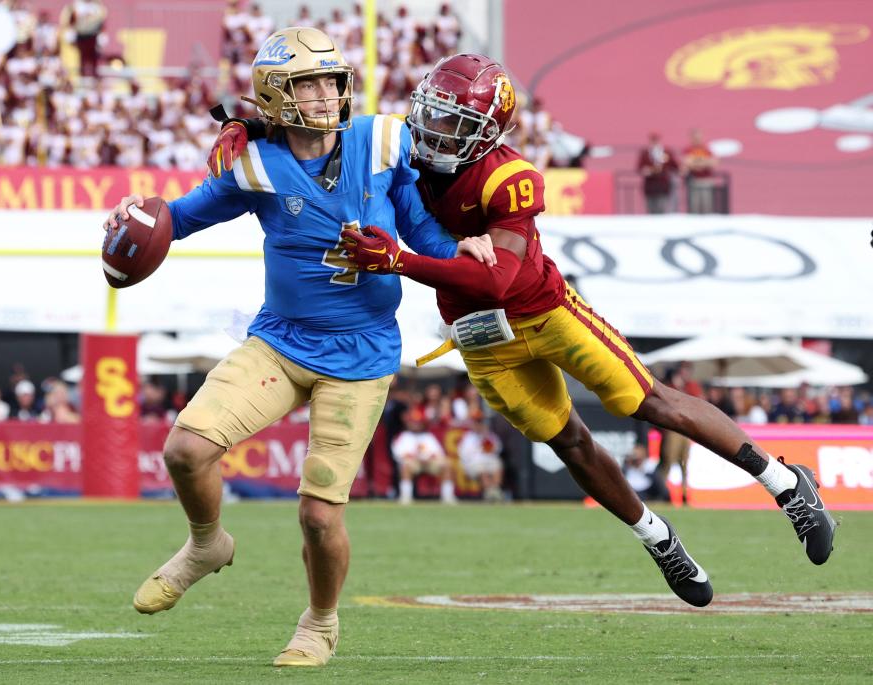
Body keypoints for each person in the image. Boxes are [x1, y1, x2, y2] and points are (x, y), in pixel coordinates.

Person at [335, 53, 837, 607]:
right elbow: (326, 130)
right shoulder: (397, 148)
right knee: (569, 441)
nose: (434, 130)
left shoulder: (510, 177)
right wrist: (246, 123)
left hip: (544, 312)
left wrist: (399, 261)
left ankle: (787, 486)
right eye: (433, 112)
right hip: (480, 337)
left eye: (455, 122)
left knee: (648, 402)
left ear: (488, 133)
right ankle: (659, 538)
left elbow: (498, 281)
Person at [106, 28, 493, 668]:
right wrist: (137, 217)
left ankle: (319, 623)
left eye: (330, 80)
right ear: (275, 94)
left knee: (318, 515)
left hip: (362, 355)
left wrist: (458, 252)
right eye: (307, 82)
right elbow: (182, 216)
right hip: (281, 341)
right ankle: (206, 543)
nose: (324, 94)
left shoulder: (380, 140)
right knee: (186, 449)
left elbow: (416, 221)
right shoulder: (255, 166)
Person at [390, 406, 455, 504]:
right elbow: (398, 454)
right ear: (409, 423)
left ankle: (448, 498)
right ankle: (405, 498)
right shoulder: (403, 436)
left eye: (418, 422)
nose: (416, 425)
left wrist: (428, 457)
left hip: (429, 463)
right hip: (413, 463)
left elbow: (438, 453)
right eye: (414, 422)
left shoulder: (428, 436)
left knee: (447, 464)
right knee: (405, 466)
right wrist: (415, 457)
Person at [456, 412, 504, 501]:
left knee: (498, 466)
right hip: (474, 463)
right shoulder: (468, 437)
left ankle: (495, 491)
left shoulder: (489, 435)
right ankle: (490, 494)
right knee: (483, 472)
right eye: (476, 422)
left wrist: (485, 436)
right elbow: (464, 455)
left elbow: (498, 448)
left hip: (489, 460)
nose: (478, 424)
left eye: (480, 422)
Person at [637, 131, 679, 214]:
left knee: (662, 208)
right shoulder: (645, 153)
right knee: (651, 209)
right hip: (650, 185)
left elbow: (675, 166)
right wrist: (649, 170)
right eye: (653, 140)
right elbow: (640, 168)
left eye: (656, 140)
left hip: (663, 184)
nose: (654, 142)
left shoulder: (666, 152)